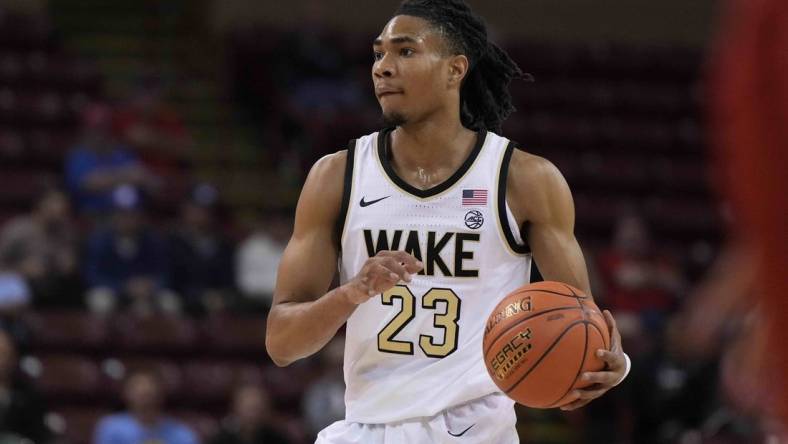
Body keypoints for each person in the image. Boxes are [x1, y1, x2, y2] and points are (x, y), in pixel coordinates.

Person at [265, 1, 630, 443]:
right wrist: (351, 293)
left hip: (474, 430)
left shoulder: (524, 179)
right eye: (378, 54)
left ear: (455, 70)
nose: (383, 67)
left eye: (405, 51)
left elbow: (580, 326)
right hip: (366, 429)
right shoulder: (336, 176)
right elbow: (282, 343)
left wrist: (610, 365)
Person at [0, 188, 81, 307]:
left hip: (57, 285)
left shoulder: (67, 233)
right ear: (40, 205)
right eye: (55, 203)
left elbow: (72, 264)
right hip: (22, 285)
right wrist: (20, 269)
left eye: (63, 204)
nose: (61, 209)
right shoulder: (17, 231)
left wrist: (69, 264)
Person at [166, 183, 235, 315]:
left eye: (206, 210)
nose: (201, 214)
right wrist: (199, 296)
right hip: (183, 299)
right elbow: (171, 281)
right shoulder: (172, 242)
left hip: (216, 301)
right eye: (196, 208)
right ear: (185, 209)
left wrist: (220, 295)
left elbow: (229, 282)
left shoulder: (224, 245)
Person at [93, 369, 197, 444]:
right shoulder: (111, 427)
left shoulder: (181, 433)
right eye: (139, 393)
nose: (145, 399)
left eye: (148, 393)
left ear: (160, 394)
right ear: (126, 394)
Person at [0, 330, 51, 443]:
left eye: (4, 353)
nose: (2, 360)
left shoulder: (28, 394)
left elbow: (39, 433)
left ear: (13, 357)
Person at [208, 383, 290, 444]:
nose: (252, 414)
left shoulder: (279, 439)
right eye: (248, 408)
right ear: (235, 409)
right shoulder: (220, 440)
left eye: (257, 408)